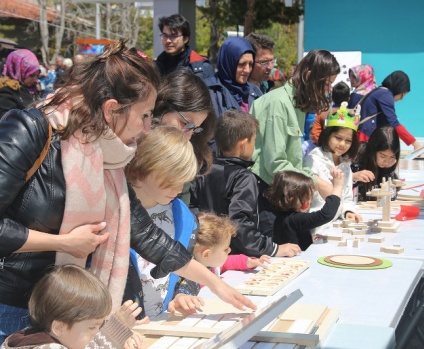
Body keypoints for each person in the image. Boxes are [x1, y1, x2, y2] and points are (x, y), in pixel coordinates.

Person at [0, 40, 254, 343]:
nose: (149, 128)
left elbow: (145, 233)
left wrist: (213, 282)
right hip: (12, 307)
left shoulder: (109, 153)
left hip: (67, 310)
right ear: (111, 110)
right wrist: (64, 242)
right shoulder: (30, 129)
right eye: (145, 115)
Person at [250, 49, 340, 235]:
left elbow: (293, 160)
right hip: (264, 194)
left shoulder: (296, 104)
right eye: (326, 83)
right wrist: (317, 183)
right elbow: (275, 164)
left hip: (280, 191)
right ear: (309, 76)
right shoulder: (279, 104)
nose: (329, 90)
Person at [190, 110, 301, 258]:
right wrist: (272, 249)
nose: (254, 146)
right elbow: (239, 221)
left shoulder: (203, 170)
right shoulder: (244, 177)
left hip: (207, 255)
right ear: (243, 143)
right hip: (235, 256)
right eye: (254, 141)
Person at [125, 126, 198, 318]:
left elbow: (190, 266)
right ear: (144, 167)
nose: (179, 188)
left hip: (163, 327)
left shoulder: (184, 217)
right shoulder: (115, 210)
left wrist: (183, 293)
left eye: (183, 180)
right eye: (171, 179)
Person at [1, 265, 141, 349]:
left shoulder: (28, 337)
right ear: (59, 327)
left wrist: (118, 329)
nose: (97, 333)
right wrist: (118, 327)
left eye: (100, 326)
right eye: (92, 327)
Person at [169, 212, 271, 315]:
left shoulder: (209, 264)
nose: (230, 250)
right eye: (225, 249)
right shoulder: (190, 276)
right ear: (206, 254)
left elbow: (228, 262)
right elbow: (183, 289)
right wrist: (183, 296)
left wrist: (248, 262)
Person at [152, 68, 216, 204]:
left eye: (195, 128)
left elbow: (182, 202)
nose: (188, 136)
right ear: (163, 105)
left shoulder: (187, 151)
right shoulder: (133, 143)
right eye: (185, 123)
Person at [304, 102, 362, 224]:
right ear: (328, 135)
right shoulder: (313, 159)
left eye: (348, 141)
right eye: (338, 138)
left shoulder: (345, 164)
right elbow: (312, 202)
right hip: (315, 225)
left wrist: (348, 212)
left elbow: (346, 198)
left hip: (336, 224)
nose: (342, 144)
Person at [265, 169, 343, 251]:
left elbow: (293, 236)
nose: (310, 201)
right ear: (291, 198)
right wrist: (338, 187)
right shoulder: (294, 219)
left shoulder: (282, 216)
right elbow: (325, 215)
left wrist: (307, 240)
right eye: (307, 197)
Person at [348, 70, 421, 149]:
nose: (401, 98)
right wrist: (414, 143)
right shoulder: (386, 95)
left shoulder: (380, 91)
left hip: (364, 134)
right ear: (399, 88)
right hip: (365, 137)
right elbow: (394, 123)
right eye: (402, 94)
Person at [205, 37, 262, 118]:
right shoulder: (209, 92)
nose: (247, 70)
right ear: (228, 63)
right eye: (242, 64)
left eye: (250, 64)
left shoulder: (255, 93)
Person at [155, 14, 214, 79]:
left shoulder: (200, 67)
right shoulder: (157, 65)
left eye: (173, 36)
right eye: (165, 35)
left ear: (185, 39)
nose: (168, 40)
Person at [352, 126, 400, 202]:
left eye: (392, 157)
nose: (387, 161)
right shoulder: (357, 155)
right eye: (382, 156)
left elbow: (391, 197)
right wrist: (353, 177)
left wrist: (388, 171)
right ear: (373, 151)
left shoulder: (390, 163)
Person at [309, 81, 352, 146]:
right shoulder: (351, 116)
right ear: (349, 99)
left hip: (321, 147)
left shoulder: (323, 113)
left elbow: (315, 133)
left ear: (332, 97)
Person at [0, 49, 40, 117]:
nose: (35, 80)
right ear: (18, 70)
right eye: (31, 75)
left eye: (37, 75)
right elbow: (7, 121)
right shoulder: (7, 91)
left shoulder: (30, 88)